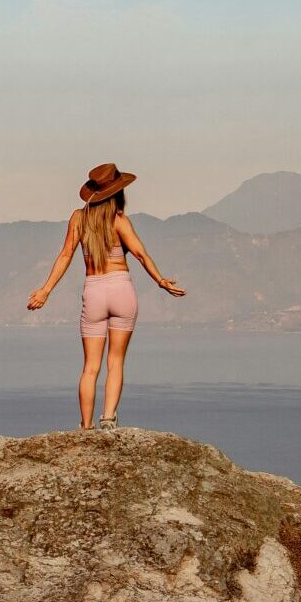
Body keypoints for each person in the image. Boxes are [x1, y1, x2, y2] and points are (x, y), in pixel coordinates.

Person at [26, 162, 185, 430]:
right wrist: (160, 280)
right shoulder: (120, 221)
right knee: (116, 361)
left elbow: (65, 255)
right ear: (118, 192)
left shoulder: (78, 218)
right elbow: (140, 254)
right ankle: (108, 419)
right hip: (122, 289)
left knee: (90, 367)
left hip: (94, 291)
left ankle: (86, 427)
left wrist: (45, 290)